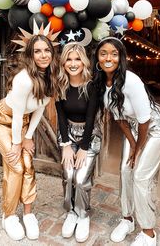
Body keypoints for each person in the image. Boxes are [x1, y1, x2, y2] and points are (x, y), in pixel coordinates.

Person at [93, 37, 160, 246]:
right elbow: (120, 119)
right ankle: (127, 219)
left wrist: (138, 149)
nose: (108, 58)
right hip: (134, 127)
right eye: (103, 53)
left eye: (114, 53)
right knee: (125, 169)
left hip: (156, 127)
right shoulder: (103, 85)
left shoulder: (131, 81)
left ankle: (148, 233)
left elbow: (145, 121)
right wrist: (132, 145)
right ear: (97, 58)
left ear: (121, 58)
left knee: (140, 174)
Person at [0, 27, 57, 241]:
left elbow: (38, 110)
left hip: (23, 123)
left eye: (46, 50)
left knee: (29, 164)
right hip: (4, 120)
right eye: (37, 51)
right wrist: (18, 143)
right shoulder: (24, 79)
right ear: (30, 54)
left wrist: (28, 137)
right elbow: (17, 114)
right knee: (16, 165)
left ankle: (28, 215)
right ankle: (8, 215)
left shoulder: (50, 78)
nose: (43, 55)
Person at [55, 42, 102, 243]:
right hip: (68, 135)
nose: (73, 64)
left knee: (81, 179)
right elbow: (61, 116)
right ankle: (71, 212)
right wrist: (65, 144)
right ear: (63, 62)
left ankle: (83, 215)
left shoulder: (92, 86)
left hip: (89, 136)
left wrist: (83, 147)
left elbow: (91, 119)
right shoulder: (59, 84)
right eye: (69, 59)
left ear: (83, 62)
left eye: (77, 59)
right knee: (68, 174)